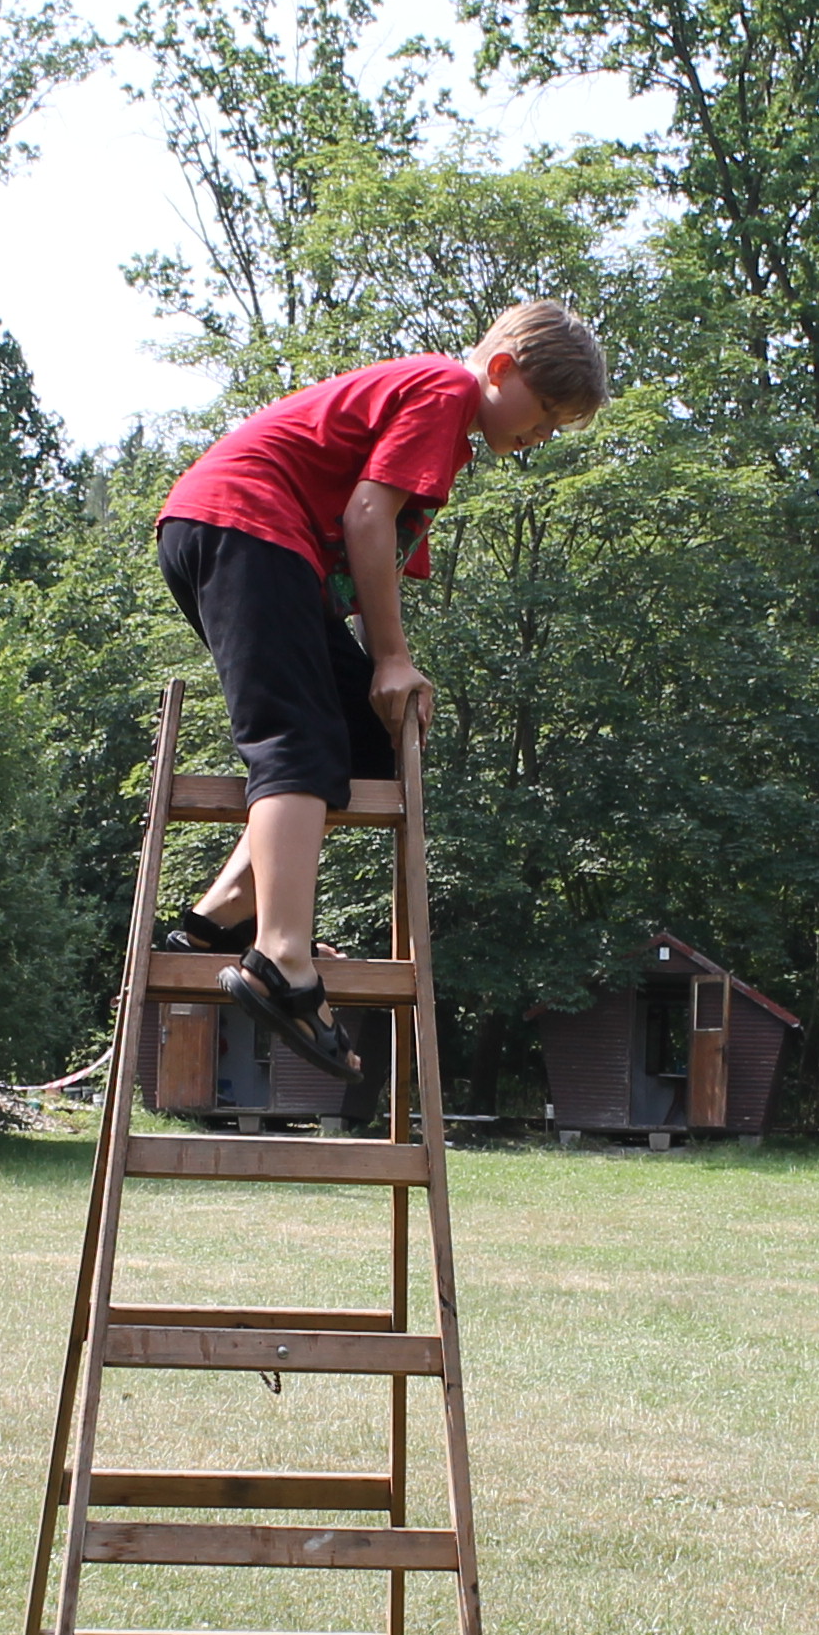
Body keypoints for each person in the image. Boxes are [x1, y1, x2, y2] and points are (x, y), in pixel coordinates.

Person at [155, 300, 607, 1077]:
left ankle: (220, 919)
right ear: (501, 371)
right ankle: (282, 959)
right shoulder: (444, 391)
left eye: (554, 430)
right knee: (294, 739)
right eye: (541, 417)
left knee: (366, 745)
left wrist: (384, 674)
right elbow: (369, 518)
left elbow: (372, 572)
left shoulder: (449, 430)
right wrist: (391, 659)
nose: (538, 438)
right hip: (246, 526)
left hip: (261, 546)